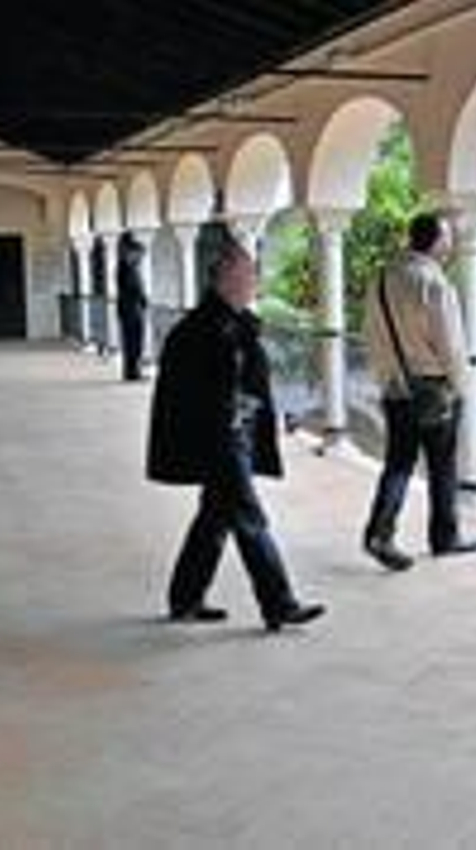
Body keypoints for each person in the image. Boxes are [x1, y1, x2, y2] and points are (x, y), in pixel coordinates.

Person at [147, 226, 325, 631]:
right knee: (249, 519)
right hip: (221, 440)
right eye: (248, 274)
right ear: (225, 277)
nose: (254, 282)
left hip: (230, 436)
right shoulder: (207, 328)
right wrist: (232, 426)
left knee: (214, 518)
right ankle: (279, 603)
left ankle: (185, 598)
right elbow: (203, 393)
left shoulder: (228, 321)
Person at [361, 212, 476, 571]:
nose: (451, 244)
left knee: (398, 462)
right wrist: (462, 387)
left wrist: (387, 376)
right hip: (433, 387)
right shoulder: (433, 283)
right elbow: (451, 346)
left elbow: (370, 331)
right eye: (447, 238)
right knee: (442, 464)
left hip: (395, 385)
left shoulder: (382, 279)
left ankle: (379, 533)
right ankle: (444, 537)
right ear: (434, 241)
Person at [115, 235, 149, 379]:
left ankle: (133, 370)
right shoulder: (126, 268)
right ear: (131, 252)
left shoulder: (128, 267)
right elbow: (133, 288)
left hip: (131, 309)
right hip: (131, 310)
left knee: (133, 341)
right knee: (133, 341)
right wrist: (143, 297)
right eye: (139, 254)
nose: (140, 257)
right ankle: (132, 371)